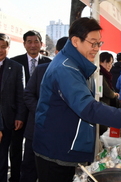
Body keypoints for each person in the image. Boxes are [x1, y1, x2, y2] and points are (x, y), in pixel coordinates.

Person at [32, 17, 121, 182]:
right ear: (76, 41)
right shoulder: (65, 69)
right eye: (93, 43)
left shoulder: (76, 65)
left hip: (66, 146)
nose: (96, 48)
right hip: (58, 150)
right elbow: (87, 107)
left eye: (99, 43)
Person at [20, 36, 68, 182]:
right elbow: (28, 94)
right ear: (57, 51)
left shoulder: (78, 74)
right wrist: (42, 112)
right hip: (36, 128)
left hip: (60, 135)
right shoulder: (42, 70)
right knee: (29, 168)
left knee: (51, 172)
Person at [10, 30, 52, 182]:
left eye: (36, 42)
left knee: (34, 152)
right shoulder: (14, 63)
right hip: (17, 115)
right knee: (15, 149)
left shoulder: (49, 64)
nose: (33, 45)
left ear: (41, 44)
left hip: (39, 115)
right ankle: (14, 178)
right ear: (24, 44)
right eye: (29, 42)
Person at [0, 33, 26, 182]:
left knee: (3, 155)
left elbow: (20, 95)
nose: (0, 50)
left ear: (8, 48)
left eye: (4, 47)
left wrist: (19, 116)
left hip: (8, 119)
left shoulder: (16, 67)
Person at [99, 51, 120, 135]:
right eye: (107, 62)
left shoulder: (105, 74)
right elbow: (107, 92)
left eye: (111, 63)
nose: (109, 65)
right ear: (100, 61)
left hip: (105, 106)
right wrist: (114, 94)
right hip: (102, 106)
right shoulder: (99, 74)